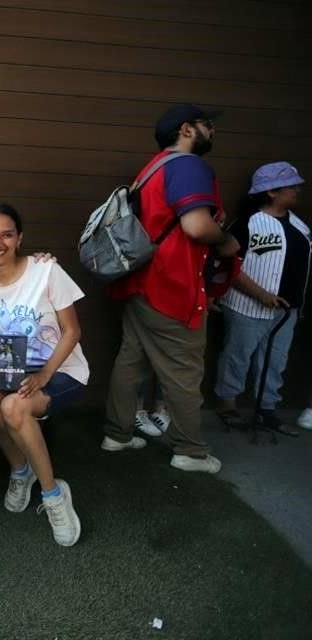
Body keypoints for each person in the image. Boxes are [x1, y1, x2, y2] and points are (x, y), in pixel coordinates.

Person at [103, 104, 240, 473]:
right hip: (170, 284)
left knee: (131, 358)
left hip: (139, 281)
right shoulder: (187, 166)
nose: (213, 130)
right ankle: (190, 451)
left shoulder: (150, 170)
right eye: (207, 124)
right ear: (187, 129)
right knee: (184, 367)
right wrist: (226, 242)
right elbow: (196, 226)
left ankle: (117, 433)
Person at [0, 203, 88, 547]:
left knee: (14, 408)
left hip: (63, 371)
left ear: (19, 238)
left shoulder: (46, 271)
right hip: (17, 369)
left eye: (7, 234)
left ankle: (53, 496)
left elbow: (72, 331)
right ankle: (20, 471)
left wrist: (43, 376)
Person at [214, 162, 309, 436]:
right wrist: (260, 293)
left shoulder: (300, 227)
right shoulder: (247, 223)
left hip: (286, 310)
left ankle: (267, 410)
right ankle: (227, 405)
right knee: (237, 357)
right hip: (247, 306)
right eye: (291, 186)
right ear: (271, 192)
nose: (296, 190)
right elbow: (227, 264)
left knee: (275, 360)